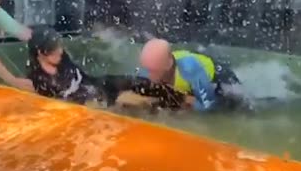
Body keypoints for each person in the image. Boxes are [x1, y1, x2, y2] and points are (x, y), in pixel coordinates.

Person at [27, 26, 190, 110]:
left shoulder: (61, 59)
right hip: (92, 101)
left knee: (136, 82)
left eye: (59, 46)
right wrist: (111, 104)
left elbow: (85, 79)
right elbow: (67, 107)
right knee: (135, 103)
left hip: (97, 84)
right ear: (41, 52)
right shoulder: (41, 81)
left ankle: (183, 99)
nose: (61, 51)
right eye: (55, 49)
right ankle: (164, 106)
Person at [138, 38, 246, 112]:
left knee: (236, 104)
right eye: (147, 70)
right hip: (193, 72)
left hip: (219, 78)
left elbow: (207, 105)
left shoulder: (190, 70)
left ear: (167, 66)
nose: (149, 76)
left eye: (153, 71)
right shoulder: (155, 65)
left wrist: (184, 104)